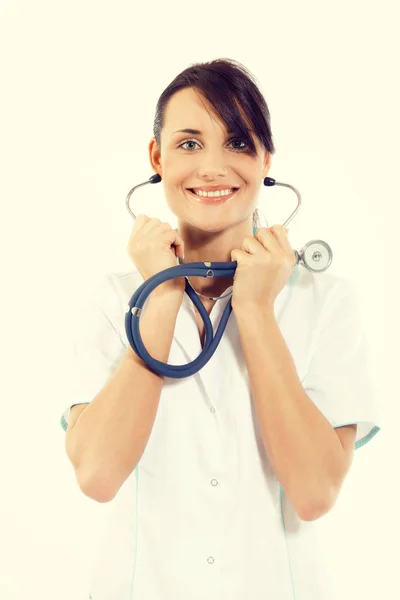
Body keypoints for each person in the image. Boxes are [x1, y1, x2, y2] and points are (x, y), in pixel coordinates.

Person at [60, 58, 382, 600]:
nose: (212, 166)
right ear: (156, 157)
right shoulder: (115, 300)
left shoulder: (326, 302)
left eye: (237, 143)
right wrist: (162, 294)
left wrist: (256, 310)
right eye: (188, 144)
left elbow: (314, 492)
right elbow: (97, 476)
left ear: (265, 160)